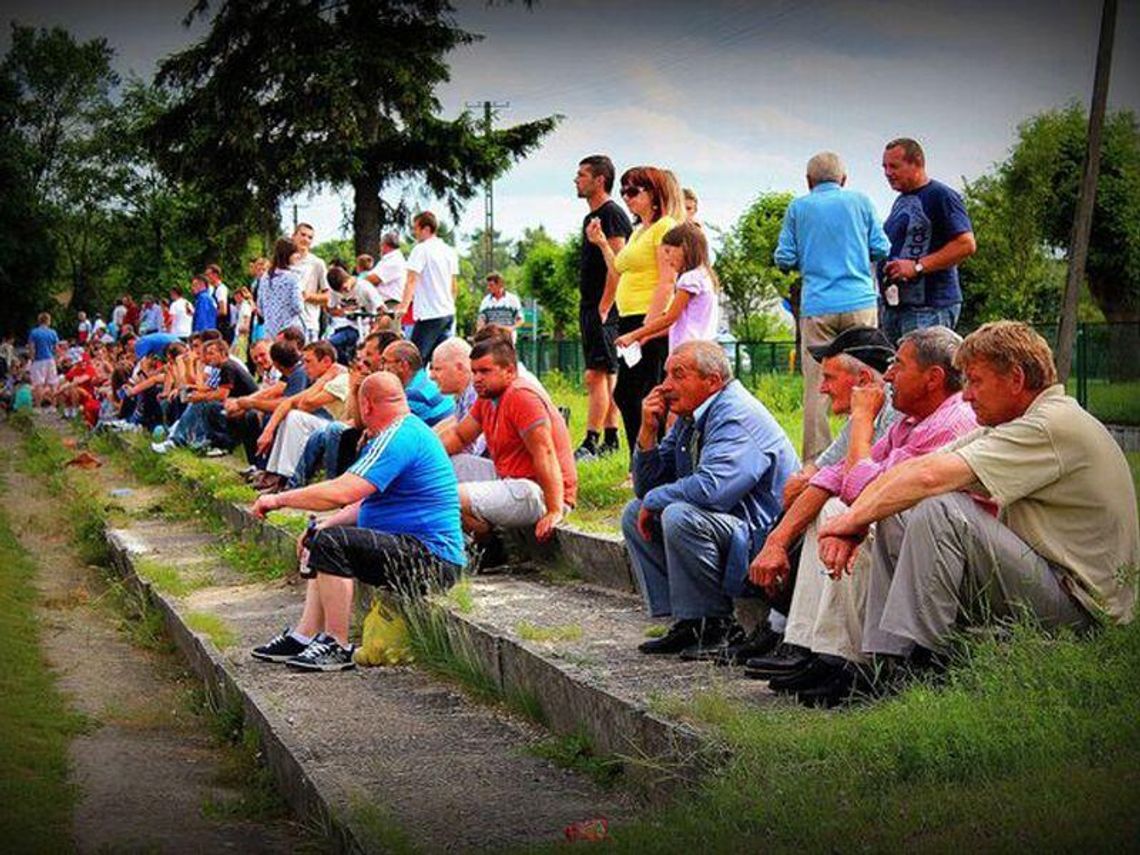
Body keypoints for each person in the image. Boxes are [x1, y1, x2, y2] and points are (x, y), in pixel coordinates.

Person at [821, 321, 1138, 676]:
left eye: (975, 380)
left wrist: (849, 521)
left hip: (1083, 607)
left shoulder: (1049, 425)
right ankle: (885, 663)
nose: (967, 394)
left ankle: (924, 666)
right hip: (1051, 582)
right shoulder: (1018, 422)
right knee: (899, 509)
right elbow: (919, 468)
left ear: (1016, 379)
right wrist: (858, 521)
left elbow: (928, 479)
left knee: (941, 508)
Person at [748, 327, 981, 706]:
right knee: (831, 508)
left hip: (947, 555)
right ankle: (816, 649)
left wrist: (860, 419)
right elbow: (836, 475)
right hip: (910, 536)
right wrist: (778, 540)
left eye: (898, 366)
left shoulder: (950, 421)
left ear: (933, 379)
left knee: (843, 511)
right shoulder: (910, 420)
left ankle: (855, 661)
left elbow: (862, 488)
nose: (889, 377)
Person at [248, 372, 466, 671]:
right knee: (322, 536)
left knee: (331, 542)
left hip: (431, 560)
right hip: (418, 551)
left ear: (366, 405)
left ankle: (337, 645)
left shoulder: (399, 435)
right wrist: (325, 525)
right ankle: (304, 635)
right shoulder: (401, 431)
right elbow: (362, 500)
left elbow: (343, 491)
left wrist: (277, 499)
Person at [622, 340, 797, 655]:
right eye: (666, 375)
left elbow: (713, 490)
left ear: (712, 380)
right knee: (634, 511)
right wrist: (648, 432)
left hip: (763, 539)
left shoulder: (735, 415)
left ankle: (715, 625)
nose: (665, 386)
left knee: (677, 514)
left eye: (678, 375)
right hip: (731, 527)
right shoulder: (692, 416)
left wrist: (654, 499)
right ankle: (689, 620)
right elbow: (646, 490)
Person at [775, 151, 891, 461]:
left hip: (818, 305)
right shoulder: (862, 202)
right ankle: (870, 450)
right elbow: (882, 247)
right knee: (869, 377)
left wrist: (810, 257)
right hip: (860, 302)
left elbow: (783, 258)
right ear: (844, 179)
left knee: (818, 384)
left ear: (808, 181)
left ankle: (817, 461)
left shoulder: (798, 207)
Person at [438, 336, 575, 542]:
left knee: (444, 496)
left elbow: (545, 453)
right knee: (442, 466)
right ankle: (486, 539)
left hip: (538, 491)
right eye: (474, 371)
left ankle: (488, 544)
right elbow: (459, 436)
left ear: (510, 371)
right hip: (509, 479)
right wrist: (416, 462)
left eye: (485, 371)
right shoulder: (487, 397)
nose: (477, 379)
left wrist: (555, 510)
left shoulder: (522, 396)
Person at [585, 165, 681, 458]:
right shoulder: (639, 230)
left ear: (654, 194)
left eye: (633, 191)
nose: (626, 197)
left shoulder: (664, 227)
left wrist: (648, 328)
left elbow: (667, 280)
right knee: (628, 394)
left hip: (648, 321)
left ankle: (654, 459)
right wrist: (602, 243)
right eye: (624, 191)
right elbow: (618, 268)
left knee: (643, 394)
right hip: (629, 321)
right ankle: (639, 460)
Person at [879, 138, 977, 343]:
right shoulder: (902, 200)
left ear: (917, 163)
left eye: (894, 166)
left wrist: (917, 267)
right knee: (898, 371)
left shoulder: (941, 196)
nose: (888, 173)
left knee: (922, 370)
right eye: (885, 167)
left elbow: (966, 244)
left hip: (929, 307)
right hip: (897, 306)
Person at [573, 154, 630, 460]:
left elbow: (617, 265)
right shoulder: (590, 217)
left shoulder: (612, 215)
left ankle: (591, 440)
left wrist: (605, 305)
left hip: (604, 307)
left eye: (582, 175)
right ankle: (610, 437)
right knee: (605, 373)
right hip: (591, 305)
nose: (576, 180)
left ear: (599, 180)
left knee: (598, 373)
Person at [254, 341, 349, 492]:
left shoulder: (340, 378)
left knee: (296, 417)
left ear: (326, 362)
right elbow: (288, 403)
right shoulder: (324, 379)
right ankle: (274, 473)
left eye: (308, 361)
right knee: (290, 415)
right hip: (331, 426)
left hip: (343, 430)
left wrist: (326, 377)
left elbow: (306, 403)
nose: (304, 367)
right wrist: (268, 431)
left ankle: (289, 477)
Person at [614, 220, 719, 355]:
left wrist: (633, 335)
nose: (667, 259)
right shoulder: (705, 276)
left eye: (669, 251)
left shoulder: (690, 279)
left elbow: (670, 318)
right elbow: (680, 322)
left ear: (684, 248)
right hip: (702, 349)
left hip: (686, 351)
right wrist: (648, 335)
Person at [397, 211, 459, 364]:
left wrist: (403, 307)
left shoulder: (421, 249)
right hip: (447, 313)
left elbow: (411, 279)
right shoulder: (449, 251)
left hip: (429, 314)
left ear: (426, 229)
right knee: (441, 361)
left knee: (414, 361)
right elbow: (453, 285)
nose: (414, 233)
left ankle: (413, 388)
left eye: (416, 228)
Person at [429, 337, 486, 457]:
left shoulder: (476, 393)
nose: (431, 376)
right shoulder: (464, 394)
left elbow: (470, 450)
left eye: (437, 369)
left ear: (459, 368)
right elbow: (454, 421)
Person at [379, 340, 454, 427]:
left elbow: (389, 430)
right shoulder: (425, 383)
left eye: (384, 361)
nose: (381, 367)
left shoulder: (413, 395)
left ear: (403, 365)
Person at [260, 237, 306, 338]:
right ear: (288, 254)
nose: (298, 256)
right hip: (289, 332)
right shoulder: (293, 277)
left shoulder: (265, 277)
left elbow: (261, 306)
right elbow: (298, 307)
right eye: (295, 253)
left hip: (270, 331)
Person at [291, 222, 329, 342]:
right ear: (294, 236)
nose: (306, 239)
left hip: (308, 323)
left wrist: (307, 296)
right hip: (284, 324)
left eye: (310, 237)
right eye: (303, 235)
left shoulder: (317, 263)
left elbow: (328, 297)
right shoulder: (283, 262)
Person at [362, 231, 407, 314]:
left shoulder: (393, 261)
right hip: (385, 304)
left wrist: (357, 283)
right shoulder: (389, 260)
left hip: (390, 305)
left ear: (384, 245)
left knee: (388, 327)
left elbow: (373, 279)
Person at [476, 272, 524, 341]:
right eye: (488, 285)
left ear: (500, 285)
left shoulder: (513, 299)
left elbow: (521, 319)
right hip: (490, 339)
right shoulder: (485, 301)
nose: (488, 288)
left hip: (508, 339)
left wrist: (511, 328)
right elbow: (481, 319)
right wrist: (479, 331)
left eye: (491, 285)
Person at [28, 312, 60, 406]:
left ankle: (38, 406)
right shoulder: (53, 332)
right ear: (48, 321)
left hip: (39, 360)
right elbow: (56, 348)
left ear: (39, 321)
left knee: (38, 384)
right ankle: (54, 405)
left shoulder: (34, 332)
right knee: (53, 383)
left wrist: (32, 359)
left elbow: (32, 348)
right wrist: (56, 359)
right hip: (50, 359)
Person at [206, 264, 232, 344]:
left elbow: (223, 310)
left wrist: (209, 316)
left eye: (208, 275)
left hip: (222, 327)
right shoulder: (213, 289)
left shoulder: (221, 289)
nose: (207, 277)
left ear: (215, 275)